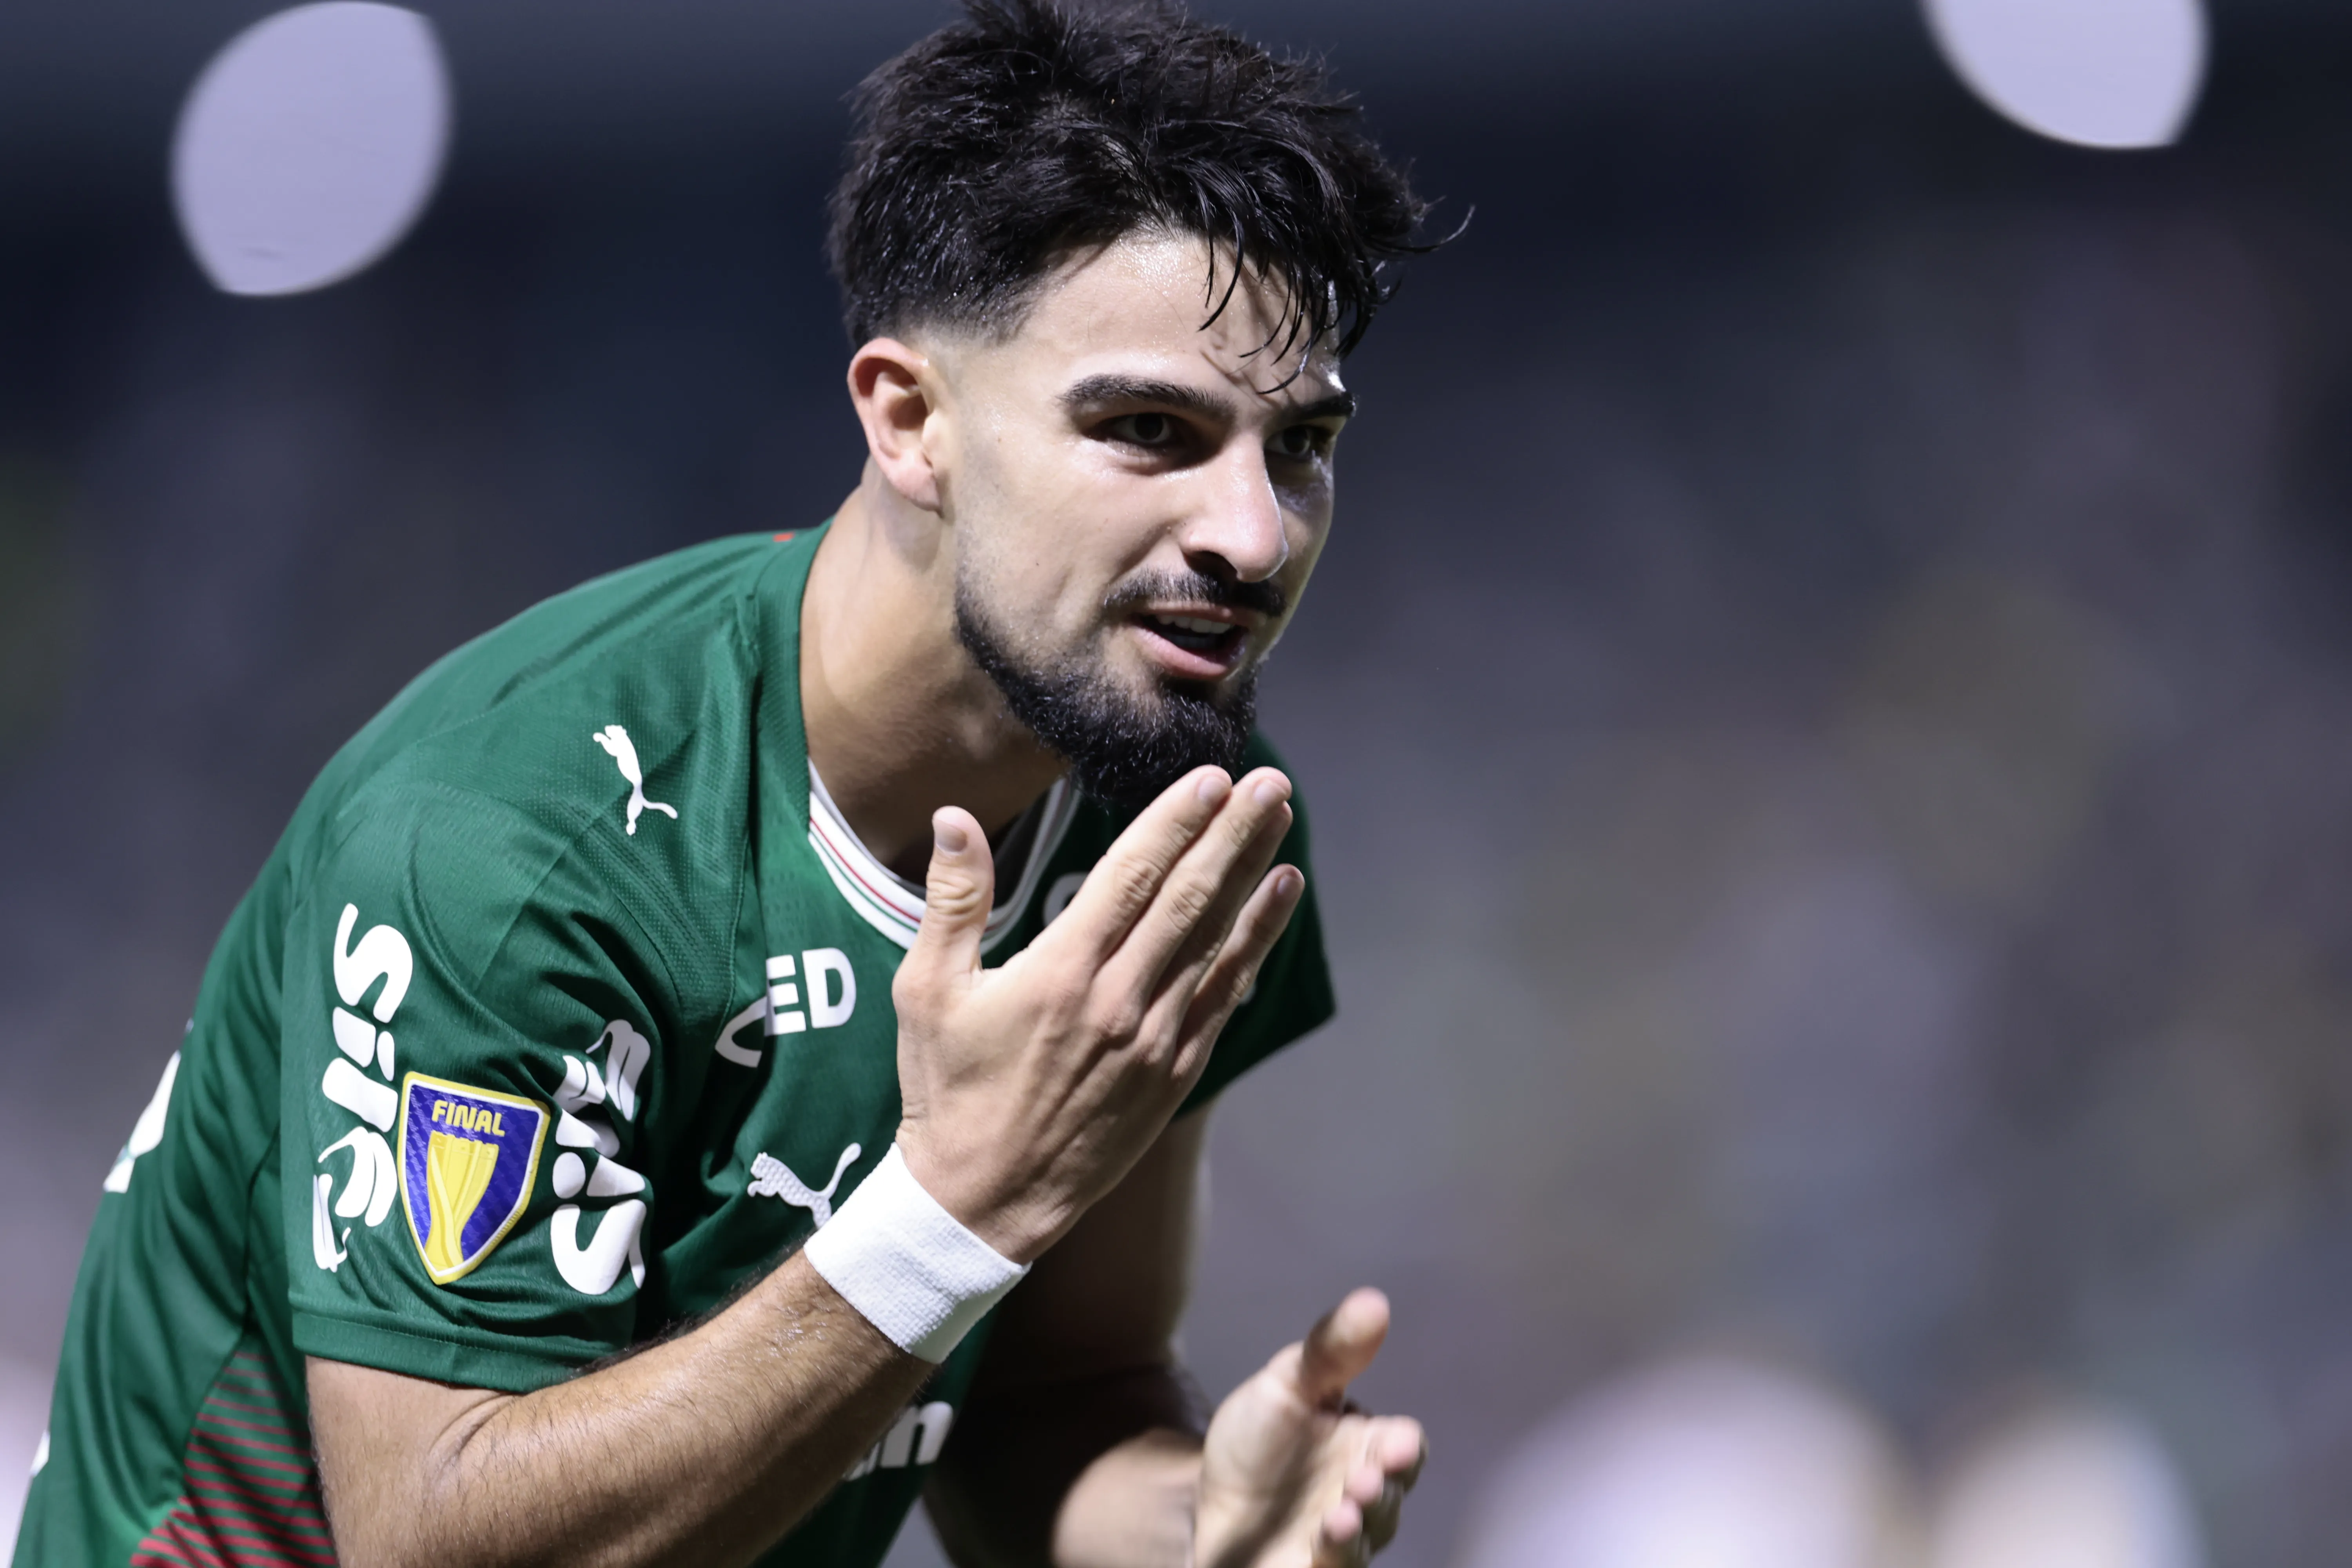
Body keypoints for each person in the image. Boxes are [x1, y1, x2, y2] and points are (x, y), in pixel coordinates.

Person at [17, 0, 1436, 1563]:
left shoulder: (1175, 799)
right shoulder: (514, 845)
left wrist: (1195, 1527)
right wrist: (946, 1212)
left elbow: (1053, 1396)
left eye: (1297, 446)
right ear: (910, 421)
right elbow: (435, 1543)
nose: (1253, 533)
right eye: (1149, 430)